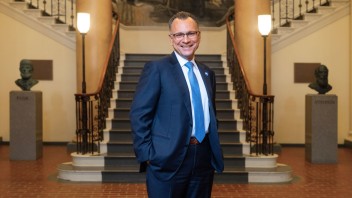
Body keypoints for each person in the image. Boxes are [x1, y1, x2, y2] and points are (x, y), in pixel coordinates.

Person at [129, 11, 224, 198]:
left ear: (199, 35)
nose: (186, 40)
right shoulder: (157, 69)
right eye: (179, 34)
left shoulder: (208, 73)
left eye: (191, 33)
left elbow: (210, 114)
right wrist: (148, 155)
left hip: (203, 159)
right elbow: (139, 115)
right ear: (171, 39)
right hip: (167, 160)